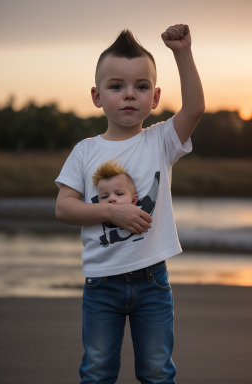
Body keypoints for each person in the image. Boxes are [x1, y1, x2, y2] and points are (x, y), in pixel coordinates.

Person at [55, 24, 204, 384]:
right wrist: (109, 210)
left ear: (154, 98)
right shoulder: (85, 151)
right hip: (101, 284)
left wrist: (182, 53)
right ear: (97, 95)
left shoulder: (161, 142)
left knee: (156, 371)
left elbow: (196, 108)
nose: (128, 95)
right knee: (97, 370)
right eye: (116, 86)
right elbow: (64, 207)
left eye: (141, 87)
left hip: (152, 280)